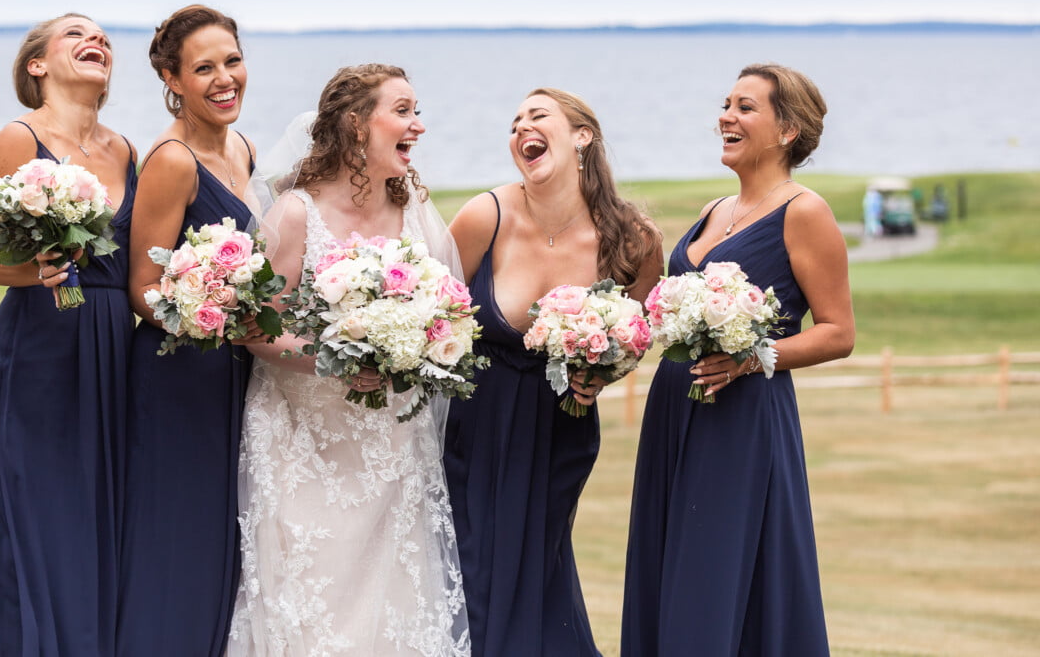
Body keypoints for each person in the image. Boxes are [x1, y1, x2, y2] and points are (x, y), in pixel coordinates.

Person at [227, 64, 471, 656]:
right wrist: (332, 361)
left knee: (391, 606)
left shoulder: (413, 207)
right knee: (307, 604)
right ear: (358, 126)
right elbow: (255, 328)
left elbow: (448, 316)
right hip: (301, 442)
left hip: (388, 446)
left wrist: (412, 348)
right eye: (405, 111)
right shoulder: (294, 214)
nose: (419, 125)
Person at [621, 63, 855, 657]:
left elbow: (837, 332)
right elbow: (665, 307)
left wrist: (753, 359)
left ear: (788, 130)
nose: (726, 116)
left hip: (743, 417)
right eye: (726, 104)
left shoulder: (804, 212)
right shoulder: (714, 209)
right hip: (676, 408)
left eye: (746, 107)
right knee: (669, 558)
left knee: (718, 568)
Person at [441, 88, 662, 657]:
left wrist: (602, 373)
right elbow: (431, 316)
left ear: (581, 135)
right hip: (473, 426)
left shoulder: (634, 239)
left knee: (539, 566)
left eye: (537, 117)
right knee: (470, 570)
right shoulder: (484, 216)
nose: (521, 130)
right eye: (514, 122)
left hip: (559, 429)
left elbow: (638, 335)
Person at [0, 13, 137, 657]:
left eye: (103, 39)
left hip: (114, 357)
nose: (96, 42)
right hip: (38, 354)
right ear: (37, 64)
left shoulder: (125, 150)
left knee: (103, 522)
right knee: (40, 526)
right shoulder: (15, 142)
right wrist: (32, 269)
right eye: (75, 34)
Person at [117, 5, 257, 655]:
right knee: (179, 533)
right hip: (180, 372)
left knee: (224, 534)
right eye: (205, 68)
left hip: (238, 370)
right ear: (173, 79)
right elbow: (143, 288)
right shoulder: (172, 160)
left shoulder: (242, 148)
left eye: (232, 60)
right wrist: (206, 320)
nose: (225, 77)